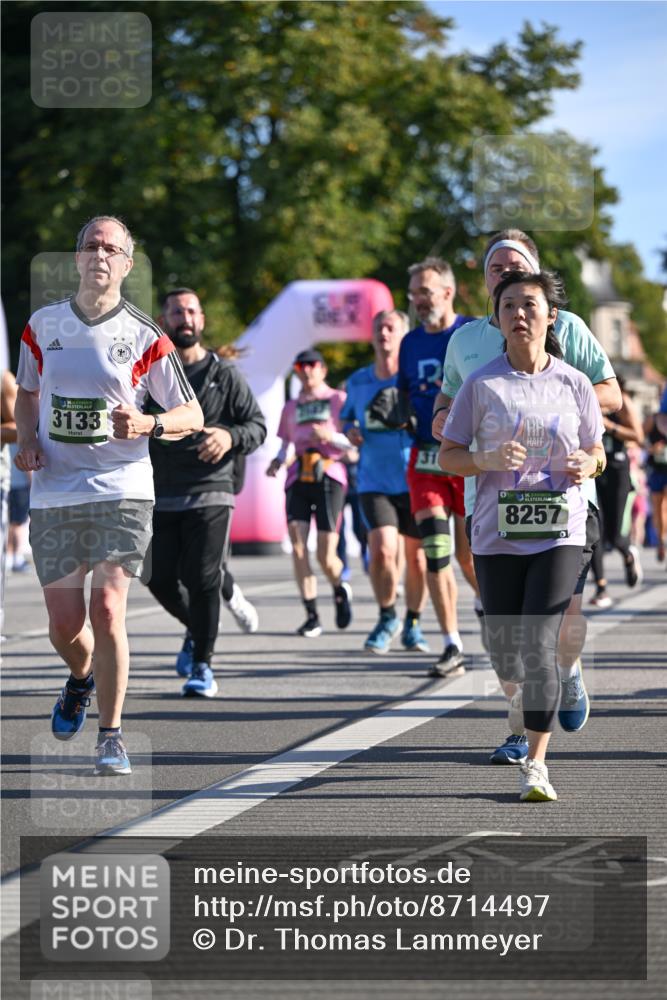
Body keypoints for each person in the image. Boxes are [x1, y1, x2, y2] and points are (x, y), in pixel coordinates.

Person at [14, 216, 203, 775]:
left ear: (126, 264)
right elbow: (26, 393)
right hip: (55, 490)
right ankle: (80, 678)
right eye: (91, 246)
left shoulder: (146, 334)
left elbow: (190, 414)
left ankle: (112, 734)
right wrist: (26, 441)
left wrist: (147, 424)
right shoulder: (42, 326)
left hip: (122, 488)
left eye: (111, 248)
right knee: (64, 626)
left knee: (106, 609)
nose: (99, 254)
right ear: (77, 259)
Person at [431, 229, 621, 765]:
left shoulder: (569, 327)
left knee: (555, 626)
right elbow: (446, 402)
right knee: (503, 631)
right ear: (488, 285)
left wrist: (559, 392)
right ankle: (523, 713)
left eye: (518, 266)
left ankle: (557, 692)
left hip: (562, 497)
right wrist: (447, 421)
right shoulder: (466, 341)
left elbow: (610, 393)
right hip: (490, 498)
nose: (507, 275)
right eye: (498, 271)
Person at [143, 288, 266, 697]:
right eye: (177, 312)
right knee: (159, 579)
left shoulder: (224, 374)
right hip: (162, 492)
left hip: (212, 490)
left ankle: (203, 666)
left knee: (201, 577)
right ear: (164, 322)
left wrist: (230, 437)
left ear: (203, 320)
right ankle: (196, 630)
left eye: (192, 311)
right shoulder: (152, 376)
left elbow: (257, 426)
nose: (185, 318)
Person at [397, 257, 480, 678]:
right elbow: (403, 395)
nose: (417, 300)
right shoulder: (409, 343)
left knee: (470, 557)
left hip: (467, 459)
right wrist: (396, 413)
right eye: (413, 293)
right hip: (424, 459)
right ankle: (452, 644)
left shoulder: (475, 334)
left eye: (424, 292)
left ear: (448, 292)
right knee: (436, 551)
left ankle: (490, 610)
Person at [340, 309, 428, 653]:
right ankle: (387, 614)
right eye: (379, 328)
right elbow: (346, 418)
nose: (384, 333)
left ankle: (414, 624)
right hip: (374, 480)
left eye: (391, 328)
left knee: (418, 560)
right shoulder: (359, 380)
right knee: (381, 551)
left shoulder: (414, 380)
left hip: (415, 478)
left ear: (404, 335)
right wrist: (350, 431)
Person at [266, 349, 352, 637]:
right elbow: (286, 443)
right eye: (300, 365)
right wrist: (278, 461)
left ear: (323, 369)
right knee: (299, 547)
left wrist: (331, 437)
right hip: (298, 477)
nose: (305, 370)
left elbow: (353, 444)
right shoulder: (291, 407)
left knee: (327, 554)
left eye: (312, 365)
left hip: (328, 473)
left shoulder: (338, 400)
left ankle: (340, 588)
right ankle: (312, 614)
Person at [588, 375, 644, 607]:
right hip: (595, 469)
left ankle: (628, 553)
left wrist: (609, 425)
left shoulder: (621, 402)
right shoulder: (587, 396)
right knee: (594, 532)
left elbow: (638, 436)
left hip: (618, 471)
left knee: (614, 535)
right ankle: (601, 588)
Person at [644, 406, 667, 562]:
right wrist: (651, 449)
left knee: (665, 507)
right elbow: (639, 437)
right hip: (657, 469)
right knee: (658, 509)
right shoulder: (653, 418)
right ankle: (661, 540)